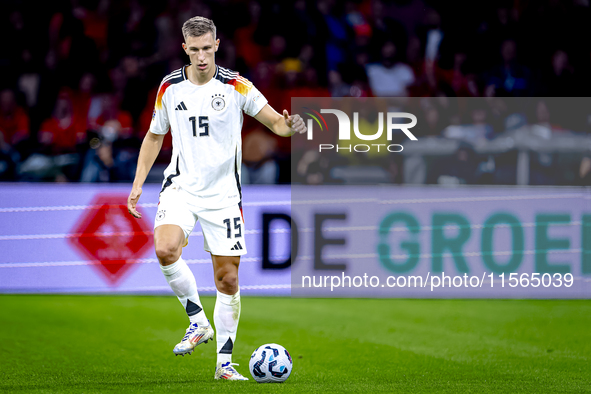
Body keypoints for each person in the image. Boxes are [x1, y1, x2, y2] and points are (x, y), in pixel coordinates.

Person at [126, 16, 306, 381]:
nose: (202, 57)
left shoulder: (237, 86)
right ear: (184, 49)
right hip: (181, 188)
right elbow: (153, 136)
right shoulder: (170, 87)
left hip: (224, 197)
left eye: (207, 48)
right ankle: (197, 321)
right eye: (195, 50)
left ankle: (224, 366)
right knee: (165, 248)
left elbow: (275, 123)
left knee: (227, 280)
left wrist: (292, 125)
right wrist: (137, 183)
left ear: (217, 45)